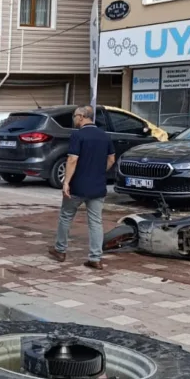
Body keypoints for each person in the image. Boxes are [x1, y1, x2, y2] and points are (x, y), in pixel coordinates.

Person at [48, 105, 115, 270]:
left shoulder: (78, 135)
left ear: (82, 117)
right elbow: (112, 159)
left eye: (75, 116)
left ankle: (60, 250)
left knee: (66, 216)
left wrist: (66, 182)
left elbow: (72, 160)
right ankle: (95, 258)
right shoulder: (104, 136)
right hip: (98, 186)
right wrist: (99, 172)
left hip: (78, 186)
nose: (74, 119)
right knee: (95, 222)